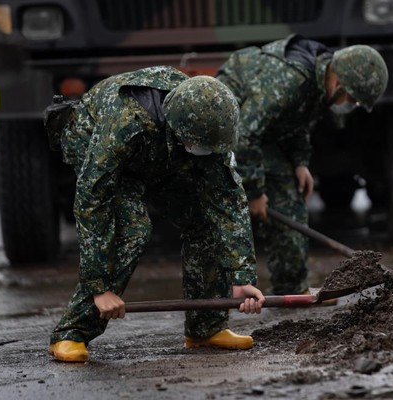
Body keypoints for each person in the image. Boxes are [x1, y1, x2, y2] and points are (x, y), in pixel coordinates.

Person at [46, 66, 266, 363]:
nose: (207, 150)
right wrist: (100, 287)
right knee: (132, 229)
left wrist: (242, 276)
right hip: (92, 139)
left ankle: (205, 328)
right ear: (180, 131)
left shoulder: (206, 120)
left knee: (204, 221)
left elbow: (228, 199)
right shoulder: (125, 122)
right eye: (201, 145)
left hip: (159, 150)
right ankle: (72, 331)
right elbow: (92, 202)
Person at [216, 35, 388, 296]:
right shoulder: (289, 80)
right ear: (340, 84)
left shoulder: (319, 83)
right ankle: (249, 289)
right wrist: (254, 193)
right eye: (352, 100)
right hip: (227, 123)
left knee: (291, 199)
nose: (349, 106)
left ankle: (292, 288)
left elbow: (295, 122)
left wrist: (300, 162)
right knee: (276, 199)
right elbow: (244, 135)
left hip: (258, 130)